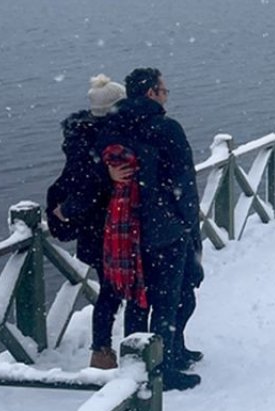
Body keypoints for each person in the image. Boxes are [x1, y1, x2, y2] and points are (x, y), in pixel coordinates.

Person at [98, 67, 203, 391]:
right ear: (151, 93)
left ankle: (140, 361)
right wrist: (189, 224)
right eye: (164, 90)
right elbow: (183, 181)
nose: (166, 95)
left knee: (139, 298)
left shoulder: (112, 126)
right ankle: (162, 367)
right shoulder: (166, 128)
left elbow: (97, 166)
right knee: (169, 299)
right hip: (164, 226)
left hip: (127, 227)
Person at [45, 74, 131, 370]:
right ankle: (103, 352)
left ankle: (108, 349)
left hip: (108, 227)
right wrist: (68, 210)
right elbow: (82, 183)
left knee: (114, 289)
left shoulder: (88, 137)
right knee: (112, 289)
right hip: (104, 229)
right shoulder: (92, 142)